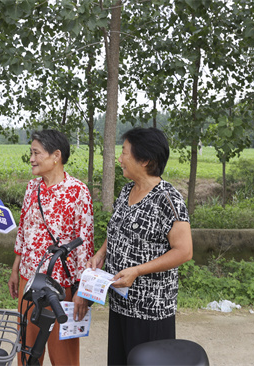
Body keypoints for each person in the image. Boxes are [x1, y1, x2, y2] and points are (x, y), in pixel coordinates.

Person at [87, 127, 193, 365]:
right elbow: (116, 229)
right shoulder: (127, 190)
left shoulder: (168, 199)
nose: (120, 158)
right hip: (121, 302)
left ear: (145, 160)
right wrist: (101, 253)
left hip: (150, 309)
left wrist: (137, 270)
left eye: (124, 152)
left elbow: (184, 251)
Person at [8, 129, 94, 366]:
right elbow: (23, 232)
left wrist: (81, 291)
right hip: (29, 281)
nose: (32, 159)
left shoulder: (78, 191)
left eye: (36, 153)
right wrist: (15, 269)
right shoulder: (31, 188)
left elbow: (84, 246)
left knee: (63, 356)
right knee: (27, 351)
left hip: (61, 288)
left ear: (56, 155)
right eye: (31, 153)